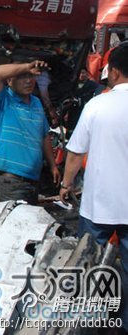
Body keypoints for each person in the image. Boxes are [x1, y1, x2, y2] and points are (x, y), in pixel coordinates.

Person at [60, 45, 128, 332]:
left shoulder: (97, 105)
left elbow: (75, 153)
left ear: (112, 71)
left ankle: (87, 323)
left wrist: (65, 185)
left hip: (98, 204)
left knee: (88, 264)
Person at [0, 60, 61, 205]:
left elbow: (44, 136)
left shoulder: (36, 103)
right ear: (9, 81)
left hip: (32, 180)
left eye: (31, 76)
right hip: (12, 181)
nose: (28, 81)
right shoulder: (4, 101)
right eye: (22, 77)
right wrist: (28, 66)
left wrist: (53, 165)